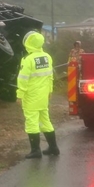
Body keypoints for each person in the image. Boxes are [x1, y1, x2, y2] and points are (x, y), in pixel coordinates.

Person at [16, 31, 59, 159]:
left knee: (31, 122)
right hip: (44, 96)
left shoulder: (28, 60)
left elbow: (22, 79)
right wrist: (50, 91)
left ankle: (35, 150)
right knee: (45, 121)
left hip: (31, 96)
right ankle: (53, 147)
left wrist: (20, 95)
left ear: (28, 43)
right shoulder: (47, 57)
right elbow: (50, 76)